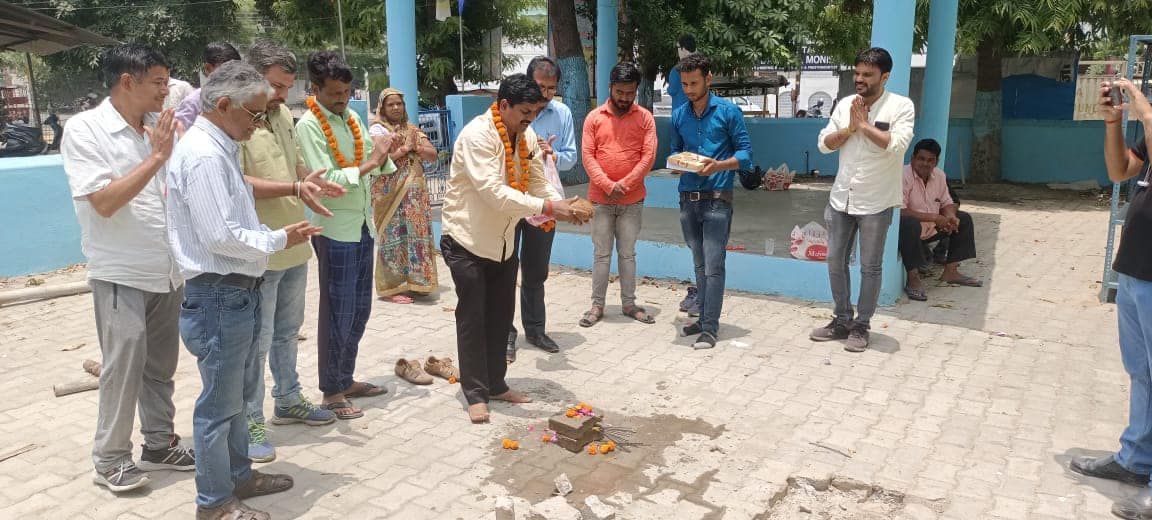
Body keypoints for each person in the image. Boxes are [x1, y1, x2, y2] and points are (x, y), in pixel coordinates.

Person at [167, 61, 317, 520]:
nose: (260, 122)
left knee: (235, 396)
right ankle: (214, 503)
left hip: (234, 289)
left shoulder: (223, 145)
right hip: (217, 292)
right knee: (218, 405)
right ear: (224, 105)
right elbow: (220, 236)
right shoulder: (205, 154)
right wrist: (277, 239)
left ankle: (239, 476)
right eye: (255, 114)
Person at [61, 43, 195, 495]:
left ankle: (158, 443)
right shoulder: (85, 130)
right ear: (127, 82)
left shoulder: (158, 126)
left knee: (160, 366)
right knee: (123, 368)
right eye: (159, 81)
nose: (166, 90)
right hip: (122, 271)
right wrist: (155, 158)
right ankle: (110, 457)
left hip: (168, 268)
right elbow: (103, 202)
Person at [440, 73, 585, 423]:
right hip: (467, 240)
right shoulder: (478, 135)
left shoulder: (528, 135)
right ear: (503, 105)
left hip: (504, 243)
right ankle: (475, 392)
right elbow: (494, 193)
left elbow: (537, 181)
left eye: (536, 111)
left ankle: (496, 384)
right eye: (524, 111)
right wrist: (550, 209)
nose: (530, 118)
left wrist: (562, 204)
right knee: (473, 317)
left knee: (501, 315)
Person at [239, 41, 346, 463]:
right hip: (259, 249)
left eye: (286, 86)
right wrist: (296, 188)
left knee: (286, 332)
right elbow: (239, 183)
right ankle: (249, 419)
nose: (283, 94)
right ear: (252, 78)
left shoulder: (282, 115)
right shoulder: (235, 120)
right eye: (275, 86)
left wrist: (312, 185)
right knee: (256, 341)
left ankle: (288, 399)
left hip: (294, 244)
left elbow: (298, 165)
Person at [1070, 77, 1152, 520]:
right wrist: (1114, 122)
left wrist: (1144, 110)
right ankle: (1135, 461)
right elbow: (1120, 170)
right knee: (1141, 373)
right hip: (1137, 271)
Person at [297, 51, 395, 420]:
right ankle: (330, 391)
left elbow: (373, 160)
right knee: (337, 311)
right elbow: (323, 181)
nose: (343, 98)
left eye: (347, 91)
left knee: (360, 309)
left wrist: (387, 153)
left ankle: (346, 377)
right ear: (315, 89)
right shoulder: (308, 125)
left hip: (362, 224)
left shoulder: (352, 117)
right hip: (334, 228)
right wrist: (371, 162)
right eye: (335, 92)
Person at [809, 47, 915, 353]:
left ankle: (862, 325)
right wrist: (850, 128)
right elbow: (824, 144)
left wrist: (865, 126)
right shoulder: (845, 105)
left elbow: (895, 145)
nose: (859, 79)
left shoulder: (900, 106)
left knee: (870, 267)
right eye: (856, 73)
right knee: (834, 261)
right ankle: (841, 319)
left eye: (867, 75)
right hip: (841, 198)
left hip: (876, 202)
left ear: (885, 76)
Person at [669, 53, 753, 350]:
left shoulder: (729, 112)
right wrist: (678, 162)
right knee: (699, 263)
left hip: (718, 199)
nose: (689, 90)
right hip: (687, 198)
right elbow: (675, 150)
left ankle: (709, 328)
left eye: (694, 83)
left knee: (714, 265)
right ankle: (703, 318)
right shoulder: (679, 114)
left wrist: (717, 166)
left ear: (709, 78)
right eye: (684, 84)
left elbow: (746, 156)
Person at [506, 56, 578, 363]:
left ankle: (535, 330)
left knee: (536, 270)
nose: (546, 94)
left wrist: (552, 154)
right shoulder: (508, 112)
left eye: (551, 88)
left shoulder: (561, 113)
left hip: (543, 200)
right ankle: (505, 333)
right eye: (540, 87)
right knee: (505, 269)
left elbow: (571, 157)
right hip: (509, 201)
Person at [578, 61, 658, 327]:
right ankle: (596, 305)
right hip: (600, 200)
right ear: (610, 87)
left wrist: (626, 182)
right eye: (620, 92)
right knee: (601, 255)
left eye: (630, 93)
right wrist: (606, 184)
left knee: (627, 254)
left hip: (632, 201)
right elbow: (588, 156)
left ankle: (629, 304)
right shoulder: (594, 118)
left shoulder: (645, 118)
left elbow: (648, 156)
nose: (624, 98)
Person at [368, 87, 440, 304]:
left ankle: (417, 283)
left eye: (399, 103)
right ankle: (391, 289)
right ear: (382, 108)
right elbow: (377, 160)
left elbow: (432, 155)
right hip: (389, 194)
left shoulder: (412, 129)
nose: (396, 107)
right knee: (393, 237)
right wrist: (403, 150)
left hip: (414, 196)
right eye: (391, 104)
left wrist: (414, 147)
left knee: (416, 237)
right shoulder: (377, 130)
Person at [897, 138, 981, 301]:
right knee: (909, 224)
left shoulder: (939, 175)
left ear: (937, 161)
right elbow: (900, 211)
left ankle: (951, 272)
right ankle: (913, 278)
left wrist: (950, 217)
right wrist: (935, 217)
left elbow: (947, 202)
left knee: (963, 219)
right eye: (921, 159)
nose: (925, 164)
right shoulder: (902, 175)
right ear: (913, 158)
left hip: (932, 228)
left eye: (931, 160)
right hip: (909, 231)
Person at [174, 42, 241, 129]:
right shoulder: (193, 103)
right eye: (226, 71)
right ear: (208, 68)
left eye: (235, 71)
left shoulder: (239, 98)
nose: (231, 76)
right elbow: (180, 136)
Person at [666, 34, 696, 113]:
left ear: (684, 49)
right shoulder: (702, 66)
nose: (678, 50)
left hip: (681, 114)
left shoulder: (677, 70)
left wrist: (668, 89)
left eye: (678, 47)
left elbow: (672, 90)